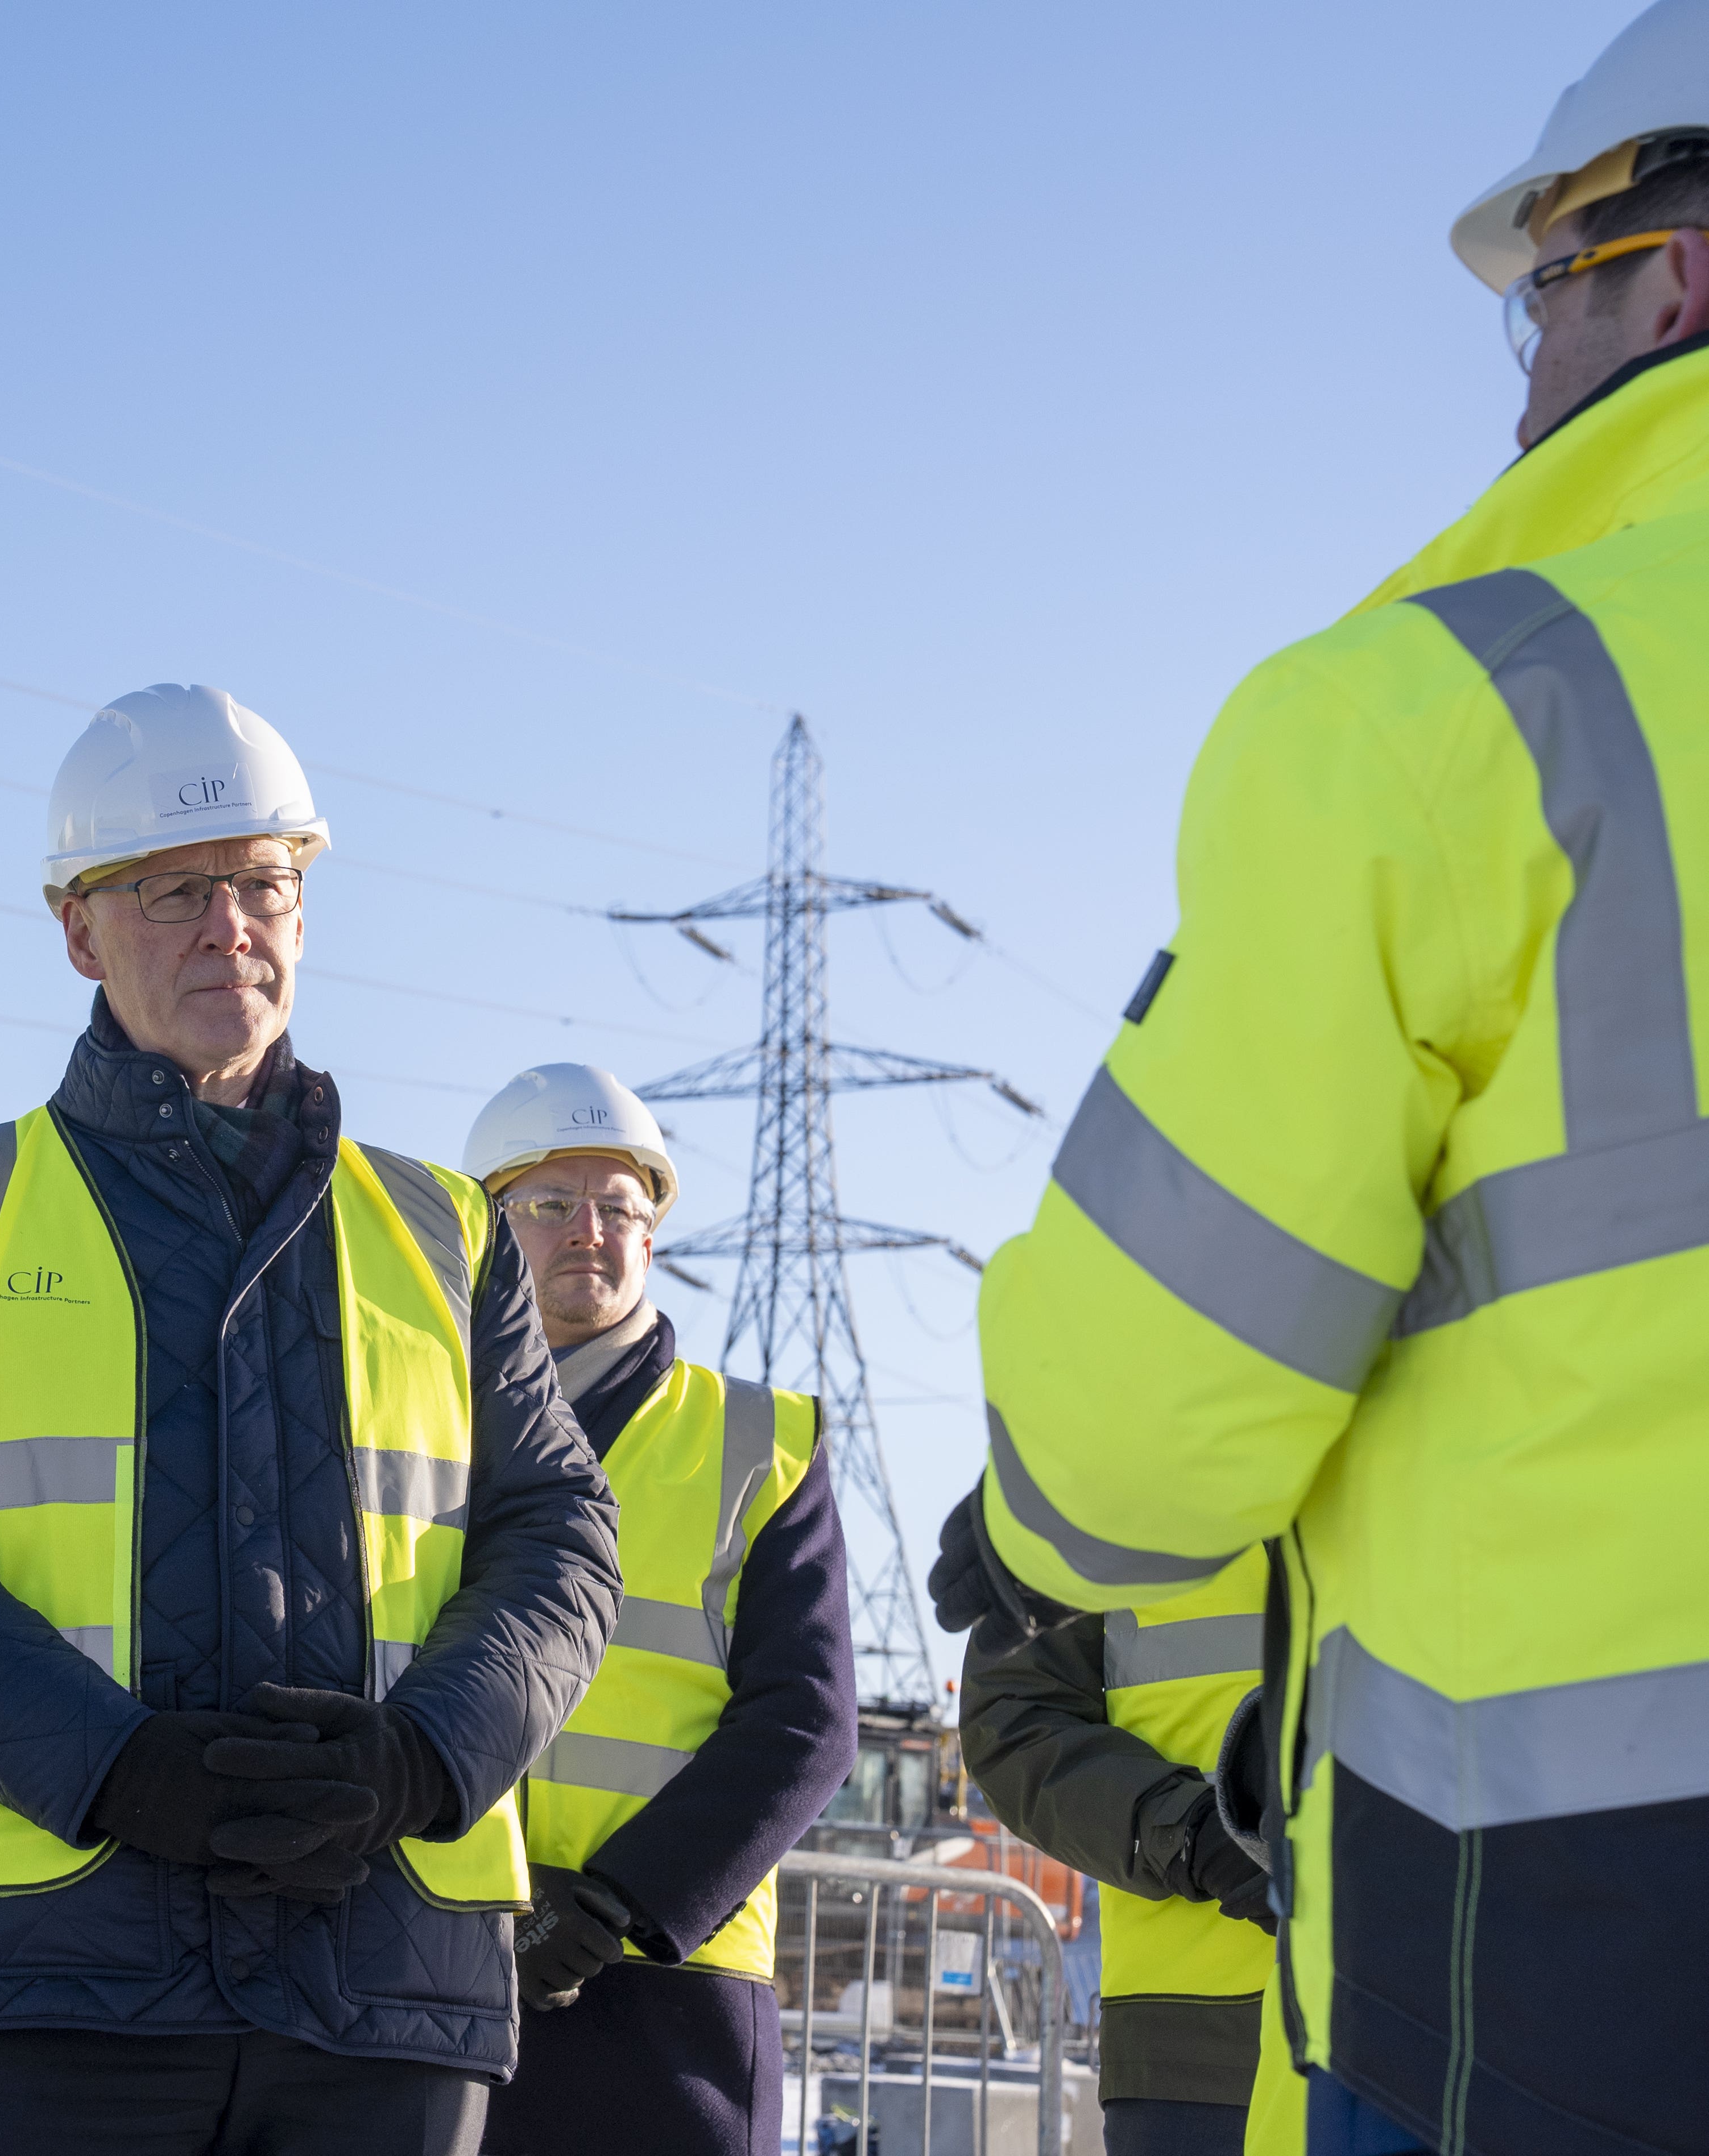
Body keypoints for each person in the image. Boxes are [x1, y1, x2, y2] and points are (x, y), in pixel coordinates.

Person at [928, 7, 1709, 2148]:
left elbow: (1130, 1444)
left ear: (1666, 269)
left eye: (1535, 297)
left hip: (1569, 1950)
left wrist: (1017, 1514)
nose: (1528, 374)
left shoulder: (1449, 712)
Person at [0, 682, 623, 2156]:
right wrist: (114, 1763)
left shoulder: (441, 1228)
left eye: (261, 884)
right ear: (76, 928)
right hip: (44, 1978)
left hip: (382, 1982)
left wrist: (419, 1757)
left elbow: (558, 1532)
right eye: (176, 890)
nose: (226, 924)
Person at [462, 1067, 857, 2156]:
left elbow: (808, 1721)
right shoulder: (406, 1422)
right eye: (547, 1204)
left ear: (654, 1233)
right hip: (436, 1952)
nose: (587, 1231)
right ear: (482, 1226)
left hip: (669, 1987)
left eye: (620, 1207)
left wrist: (621, 1904)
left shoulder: (760, 1442)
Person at [957, 1558, 1273, 2156]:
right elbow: (1014, 1720)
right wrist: (1192, 1834)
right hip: (1197, 2045)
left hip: (1452, 2014)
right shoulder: (1100, 1471)